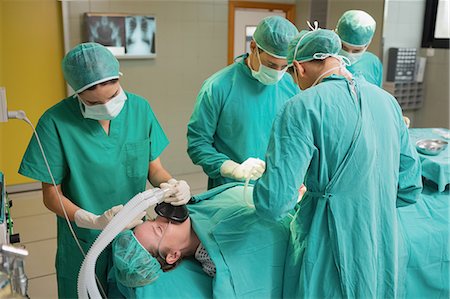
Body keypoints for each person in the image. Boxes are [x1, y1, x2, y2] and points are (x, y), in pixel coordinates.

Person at [253, 28, 423, 298]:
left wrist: (263, 184)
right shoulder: (388, 102)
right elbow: (410, 187)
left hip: (329, 244)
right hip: (382, 244)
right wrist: (365, 200)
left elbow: (274, 203)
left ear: (298, 67)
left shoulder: (301, 106)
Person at [18, 42, 191, 298]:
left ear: (120, 78)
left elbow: (153, 168)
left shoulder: (139, 109)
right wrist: (93, 220)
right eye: (94, 101)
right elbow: (51, 195)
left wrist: (171, 184)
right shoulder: (54, 122)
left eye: (112, 96)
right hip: (84, 239)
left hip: (135, 238)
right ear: (77, 92)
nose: (108, 106)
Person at [111, 184, 290, 298]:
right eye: (160, 228)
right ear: (173, 255)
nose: (163, 217)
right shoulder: (216, 264)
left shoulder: (197, 208)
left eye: (153, 219)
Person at [187, 16, 299, 189]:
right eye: (271, 64)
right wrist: (232, 169)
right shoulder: (218, 86)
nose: (277, 72)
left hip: (276, 188)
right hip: (230, 189)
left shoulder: (292, 86)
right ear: (253, 47)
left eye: (284, 66)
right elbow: (198, 144)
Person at [336, 10, 383, 87]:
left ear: (367, 45)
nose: (349, 54)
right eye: (343, 47)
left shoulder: (373, 63)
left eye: (356, 51)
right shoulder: (324, 59)